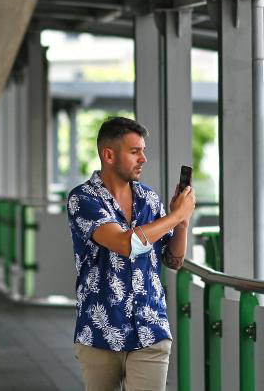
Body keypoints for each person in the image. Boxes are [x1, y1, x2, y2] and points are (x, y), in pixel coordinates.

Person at [67, 117, 196, 391]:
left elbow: (173, 261)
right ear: (109, 154)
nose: (144, 159)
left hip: (151, 329)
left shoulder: (149, 198)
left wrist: (182, 223)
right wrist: (174, 216)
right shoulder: (83, 199)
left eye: (143, 150)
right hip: (100, 333)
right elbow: (126, 245)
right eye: (135, 151)